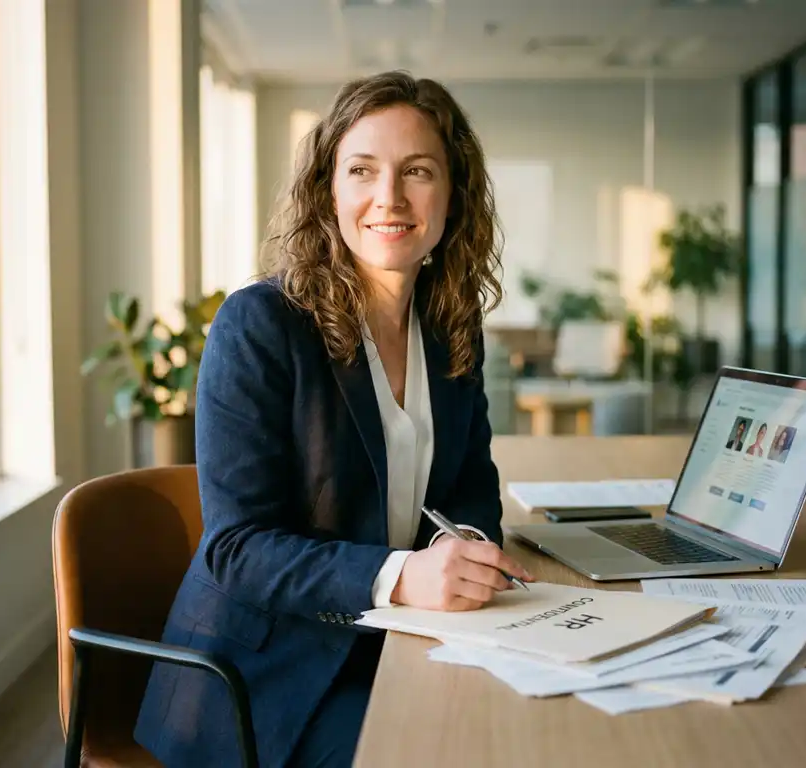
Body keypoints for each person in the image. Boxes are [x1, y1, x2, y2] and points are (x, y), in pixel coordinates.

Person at [133, 71, 535, 768]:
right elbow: (238, 548)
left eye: (418, 171)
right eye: (362, 171)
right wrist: (404, 576)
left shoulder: (449, 327)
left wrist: (462, 552)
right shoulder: (258, 325)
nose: (390, 197)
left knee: (520, 727)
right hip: (266, 677)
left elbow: (470, 481)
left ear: (452, 197)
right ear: (328, 192)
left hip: (397, 641)